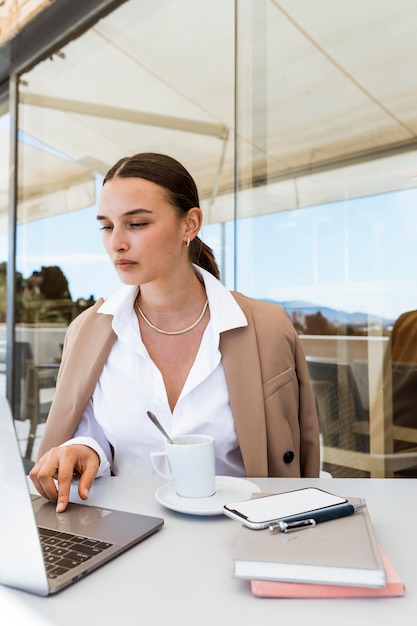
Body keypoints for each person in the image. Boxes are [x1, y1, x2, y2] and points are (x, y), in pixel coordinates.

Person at [30, 153, 320, 512]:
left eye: (136, 224)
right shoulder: (88, 332)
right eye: (106, 226)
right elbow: (92, 433)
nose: (116, 242)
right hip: (122, 531)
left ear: (190, 224)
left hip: (240, 534)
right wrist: (83, 449)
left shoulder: (267, 328)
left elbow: (301, 455)